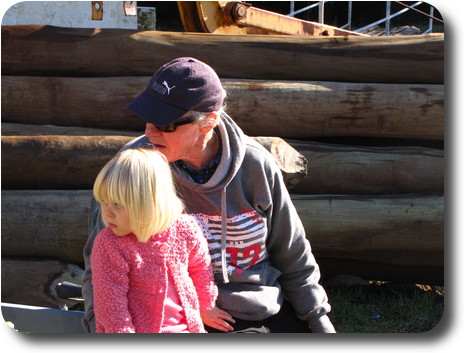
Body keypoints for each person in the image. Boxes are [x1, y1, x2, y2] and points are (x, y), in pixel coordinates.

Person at [82, 57, 335, 333]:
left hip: (256, 308)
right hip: (172, 320)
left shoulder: (255, 165)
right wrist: (99, 328)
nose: (149, 131)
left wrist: (318, 318)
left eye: (166, 123)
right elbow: (100, 264)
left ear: (208, 122)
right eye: (148, 117)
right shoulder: (137, 165)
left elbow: (292, 251)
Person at [90, 148, 219, 333]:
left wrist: (206, 305)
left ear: (148, 203)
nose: (107, 212)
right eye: (103, 202)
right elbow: (110, 306)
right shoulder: (109, 244)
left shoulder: (185, 228)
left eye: (117, 204)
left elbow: (201, 268)